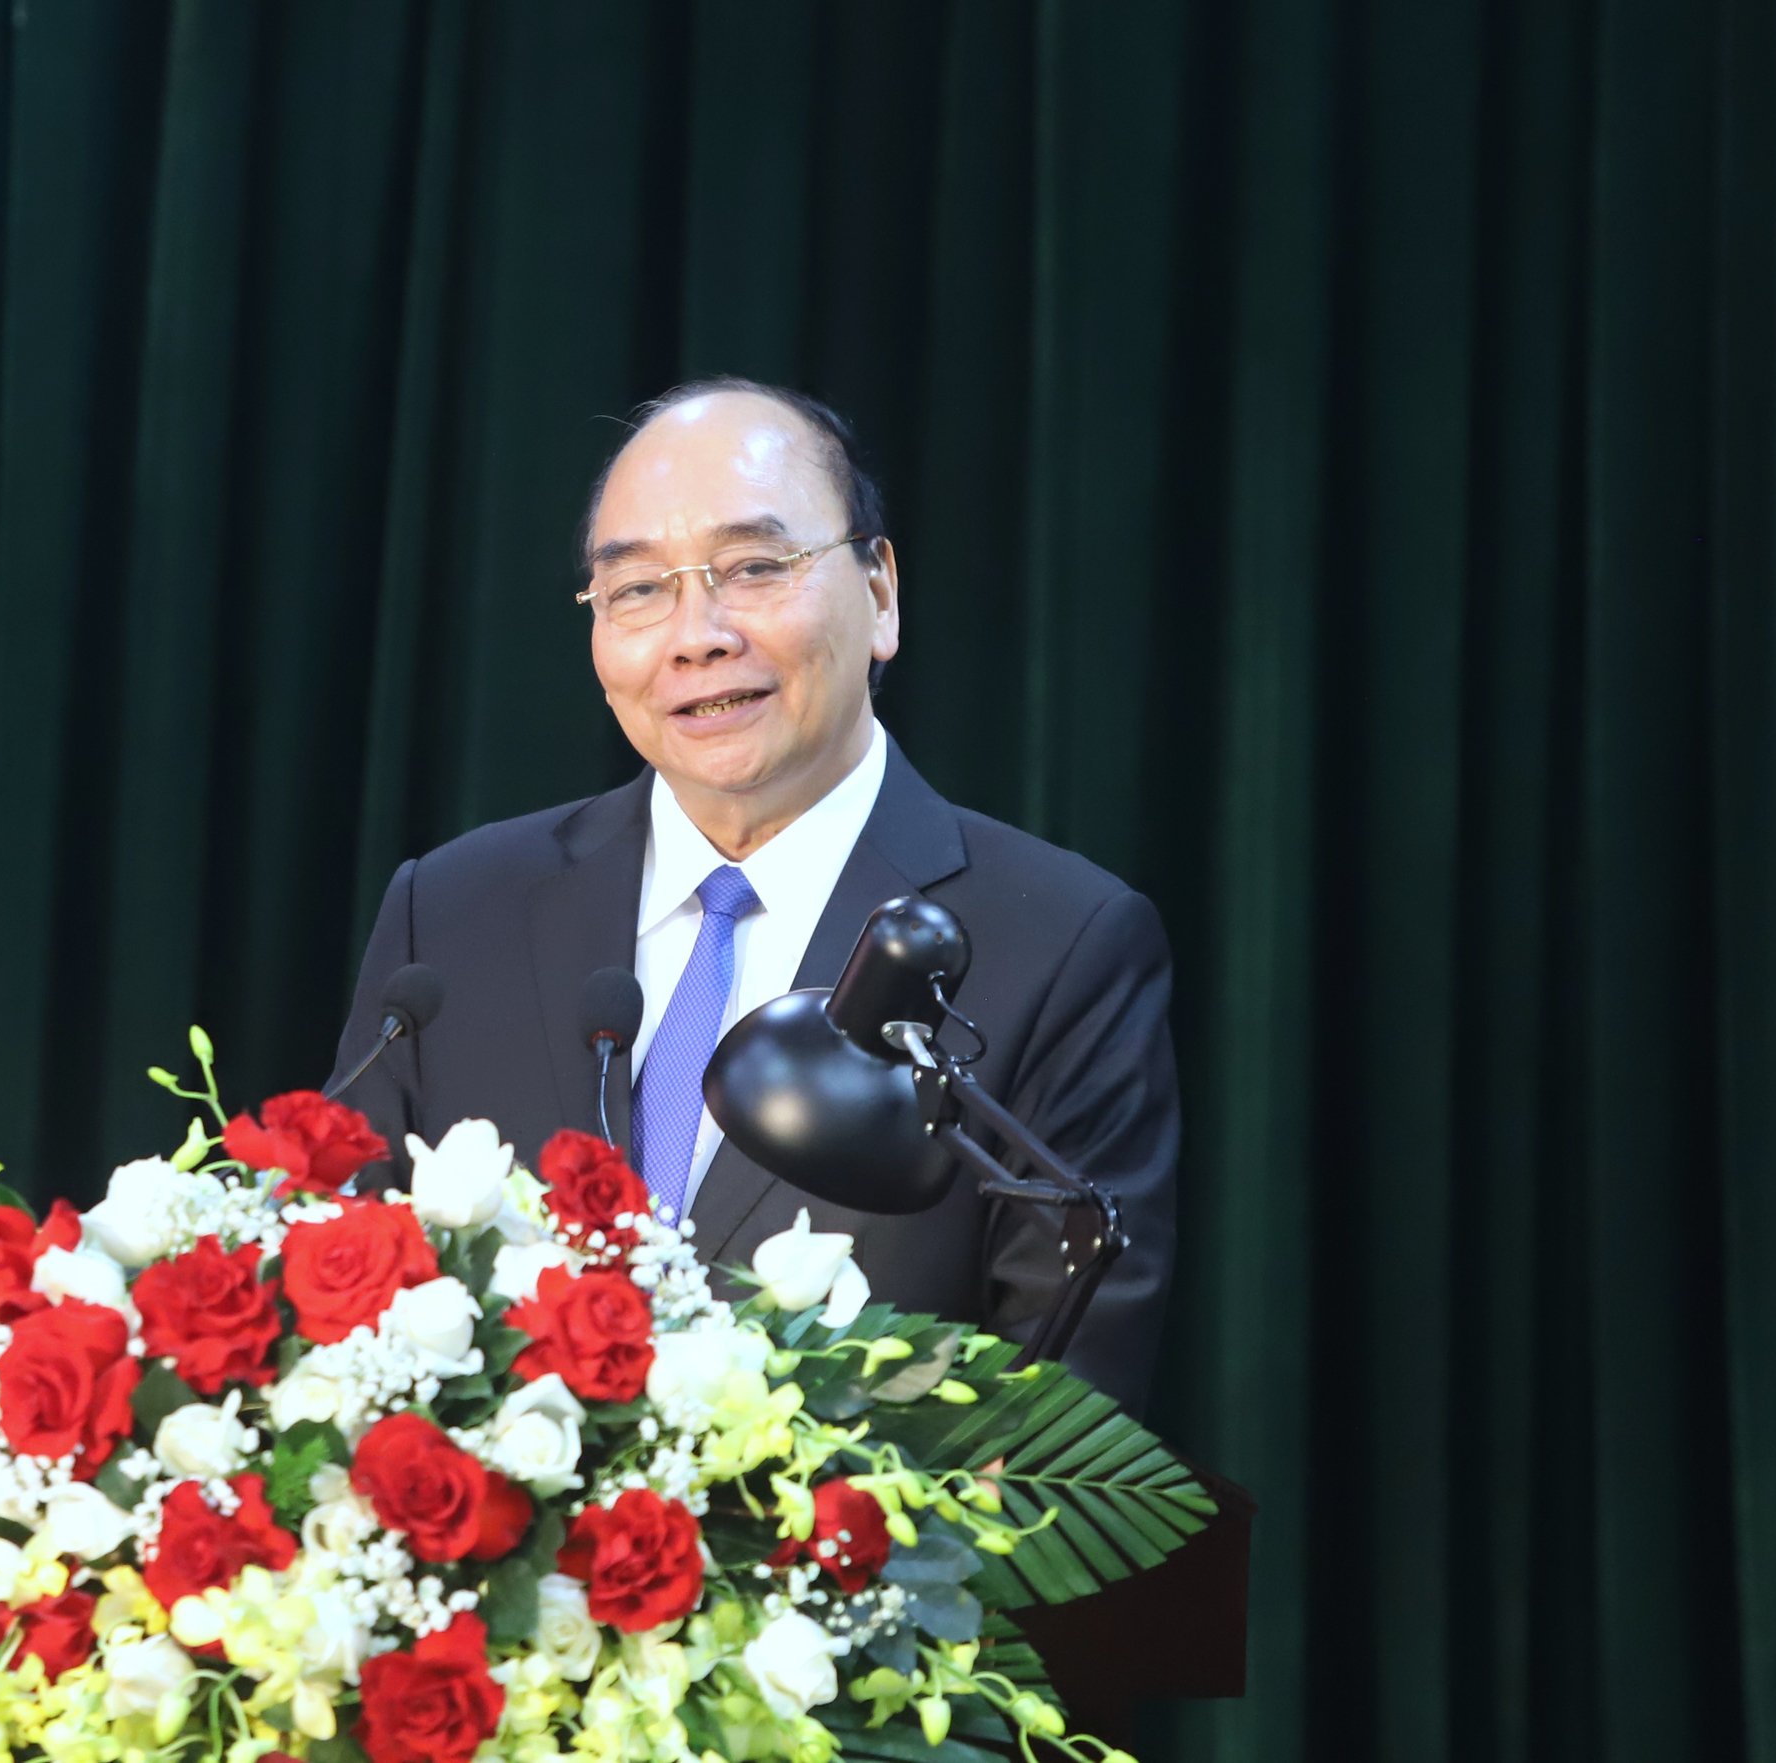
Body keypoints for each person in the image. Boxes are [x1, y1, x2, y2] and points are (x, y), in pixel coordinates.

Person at [326, 378, 1179, 1415]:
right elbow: (341, 1313)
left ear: (879, 593)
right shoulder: (453, 916)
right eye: (637, 589)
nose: (697, 635)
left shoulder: (1060, 943)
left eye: (754, 568)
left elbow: (1070, 1440)